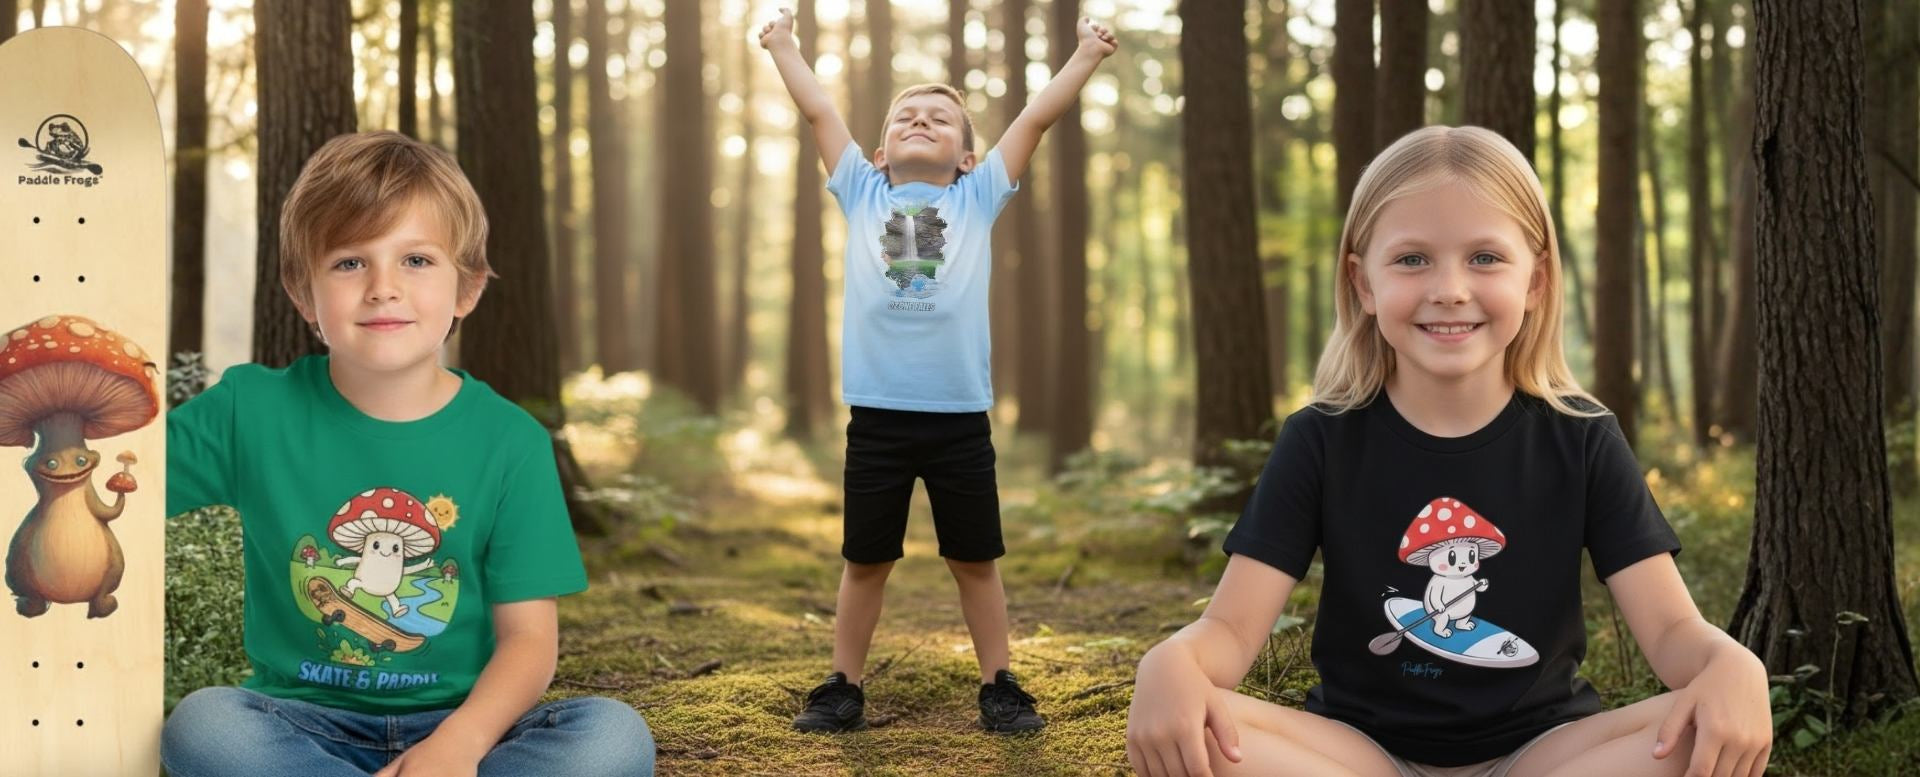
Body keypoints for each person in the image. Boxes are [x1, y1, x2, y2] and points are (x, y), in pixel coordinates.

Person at [1124, 126, 1772, 777]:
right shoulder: (1320, 438)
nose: (1451, 288)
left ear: (1537, 279)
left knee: (1704, 727)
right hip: (1357, 756)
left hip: (1544, 755)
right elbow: (1231, 636)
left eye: (1485, 257)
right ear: (1363, 283)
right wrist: (1171, 661)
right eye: (1412, 259)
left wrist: (1731, 663)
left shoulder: (1581, 437)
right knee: (1196, 727)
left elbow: (1669, 635)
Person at [161, 130, 654, 777]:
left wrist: (460, 743)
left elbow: (530, 640)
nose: (382, 287)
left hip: (468, 728)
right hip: (298, 722)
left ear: (468, 287)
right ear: (302, 291)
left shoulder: (510, 441)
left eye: (416, 260)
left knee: (613, 738)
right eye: (348, 262)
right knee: (204, 724)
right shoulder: (248, 411)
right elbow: (119, 479)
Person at [759, 6, 1116, 735]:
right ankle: (843, 684)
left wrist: (1085, 57)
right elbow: (819, 108)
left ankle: (1000, 683)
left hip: (959, 420)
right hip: (878, 419)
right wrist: (783, 47)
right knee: (865, 559)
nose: (919, 122)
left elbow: (1034, 121)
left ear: (967, 158)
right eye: (903, 119)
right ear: (881, 153)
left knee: (974, 558)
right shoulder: (862, 190)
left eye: (940, 120)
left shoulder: (976, 198)